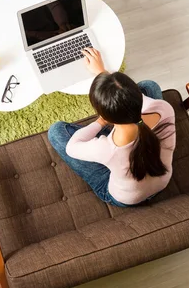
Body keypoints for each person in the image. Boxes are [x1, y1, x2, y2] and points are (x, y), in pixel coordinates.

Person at [48, 48, 176, 207]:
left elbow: (72, 147)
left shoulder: (108, 149)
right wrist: (102, 72)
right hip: (162, 181)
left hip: (127, 197)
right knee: (149, 86)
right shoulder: (164, 109)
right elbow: (129, 95)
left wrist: (99, 123)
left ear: (107, 117)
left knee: (55, 132)